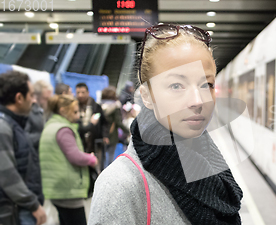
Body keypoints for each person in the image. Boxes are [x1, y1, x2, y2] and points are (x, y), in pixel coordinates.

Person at [89, 24, 243, 225]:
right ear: (147, 96)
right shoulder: (120, 186)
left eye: (207, 85)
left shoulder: (209, 163)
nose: (198, 101)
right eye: (176, 86)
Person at [39, 94, 97, 225]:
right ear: (63, 111)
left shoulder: (52, 125)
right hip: (67, 188)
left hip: (58, 187)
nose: (77, 116)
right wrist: (91, 159)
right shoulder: (63, 129)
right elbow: (75, 156)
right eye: (75, 112)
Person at [0, 71, 46, 225]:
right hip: (15, 210)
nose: (34, 101)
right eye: (31, 95)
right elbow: (7, 175)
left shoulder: (13, 124)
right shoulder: (3, 127)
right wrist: (32, 203)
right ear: (19, 98)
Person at [75, 82, 109, 168]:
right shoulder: (74, 107)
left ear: (88, 93)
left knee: (96, 165)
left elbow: (104, 122)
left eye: (83, 92)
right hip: (80, 141)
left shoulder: (96, 106)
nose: (80, 95)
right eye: (78, 93)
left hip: (95, 141)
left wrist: (105, 135)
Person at [100, 86, 129, 168]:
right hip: (112, 134)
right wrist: (128, 131)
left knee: (102, 156)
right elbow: (118, 122)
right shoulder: (116, 106)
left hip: (100, 134)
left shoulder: (99, 105)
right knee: (110, 156)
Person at [25, 80, 53, 152]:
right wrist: (45, 136)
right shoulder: (29, 113)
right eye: (46, 98)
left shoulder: (52, 112)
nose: (49, 102)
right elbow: (25, 137)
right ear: (36, 97)